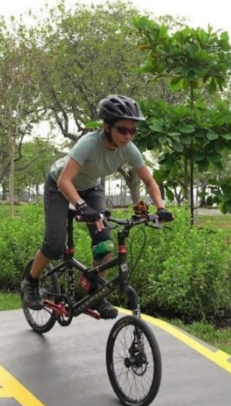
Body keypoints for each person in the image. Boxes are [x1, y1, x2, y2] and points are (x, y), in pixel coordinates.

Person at [20, 95, 173, 318]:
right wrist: (81, 206)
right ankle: (31, 282)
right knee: (54, 244)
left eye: (133, 131)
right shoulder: (89, 143)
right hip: (60, 185)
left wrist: (160, 208)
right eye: (122, 130)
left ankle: (95, 290)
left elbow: (149, 181)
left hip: (91, 188)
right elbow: (64, 181)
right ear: (107, 126)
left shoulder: (129, 149)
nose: (128, 136)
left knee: (104, 242)